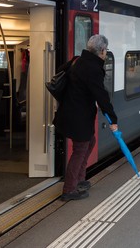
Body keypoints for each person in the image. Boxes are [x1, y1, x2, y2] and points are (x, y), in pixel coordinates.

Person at [53, 34, 118, 201]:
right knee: (80, 150)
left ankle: (80, 180)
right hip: (78, 116)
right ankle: (69, 189)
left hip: (71, 112)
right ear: (102, 51)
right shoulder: (93, 68)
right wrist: (113, 119)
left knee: (90, 142)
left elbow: (60, 70)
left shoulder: (77, 60)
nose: (105, 54)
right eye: (106, 51)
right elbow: (102, 96)